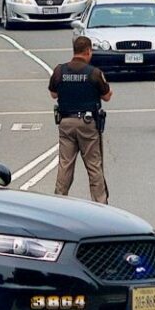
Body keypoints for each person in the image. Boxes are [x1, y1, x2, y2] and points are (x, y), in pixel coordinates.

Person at [49, 36, 113, 204]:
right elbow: (107, 96)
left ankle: (59, 200)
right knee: (93, 165)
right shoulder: (94, 73)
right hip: (87, 124)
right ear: (88, 51)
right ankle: (100, 204)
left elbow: (53, 94)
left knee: (65, 164)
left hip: (65, 122)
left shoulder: (59, 71)